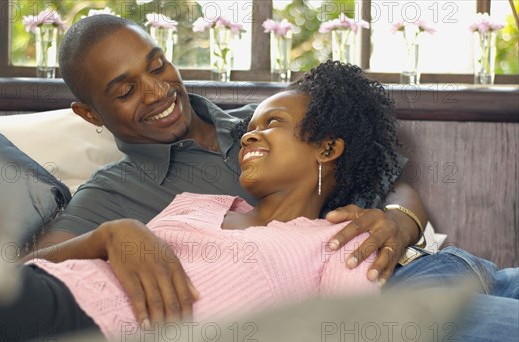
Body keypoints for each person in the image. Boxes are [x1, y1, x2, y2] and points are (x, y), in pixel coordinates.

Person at [33, 15, 429, 323]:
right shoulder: (112, 192)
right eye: (126, 91)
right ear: (89, 114)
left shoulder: (261, 121)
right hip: (347, 309)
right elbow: (21, 271)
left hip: (401, 268)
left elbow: (394, 183)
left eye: (157, 67)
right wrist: (107, 237)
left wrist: (398, 222)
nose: (157, 93)